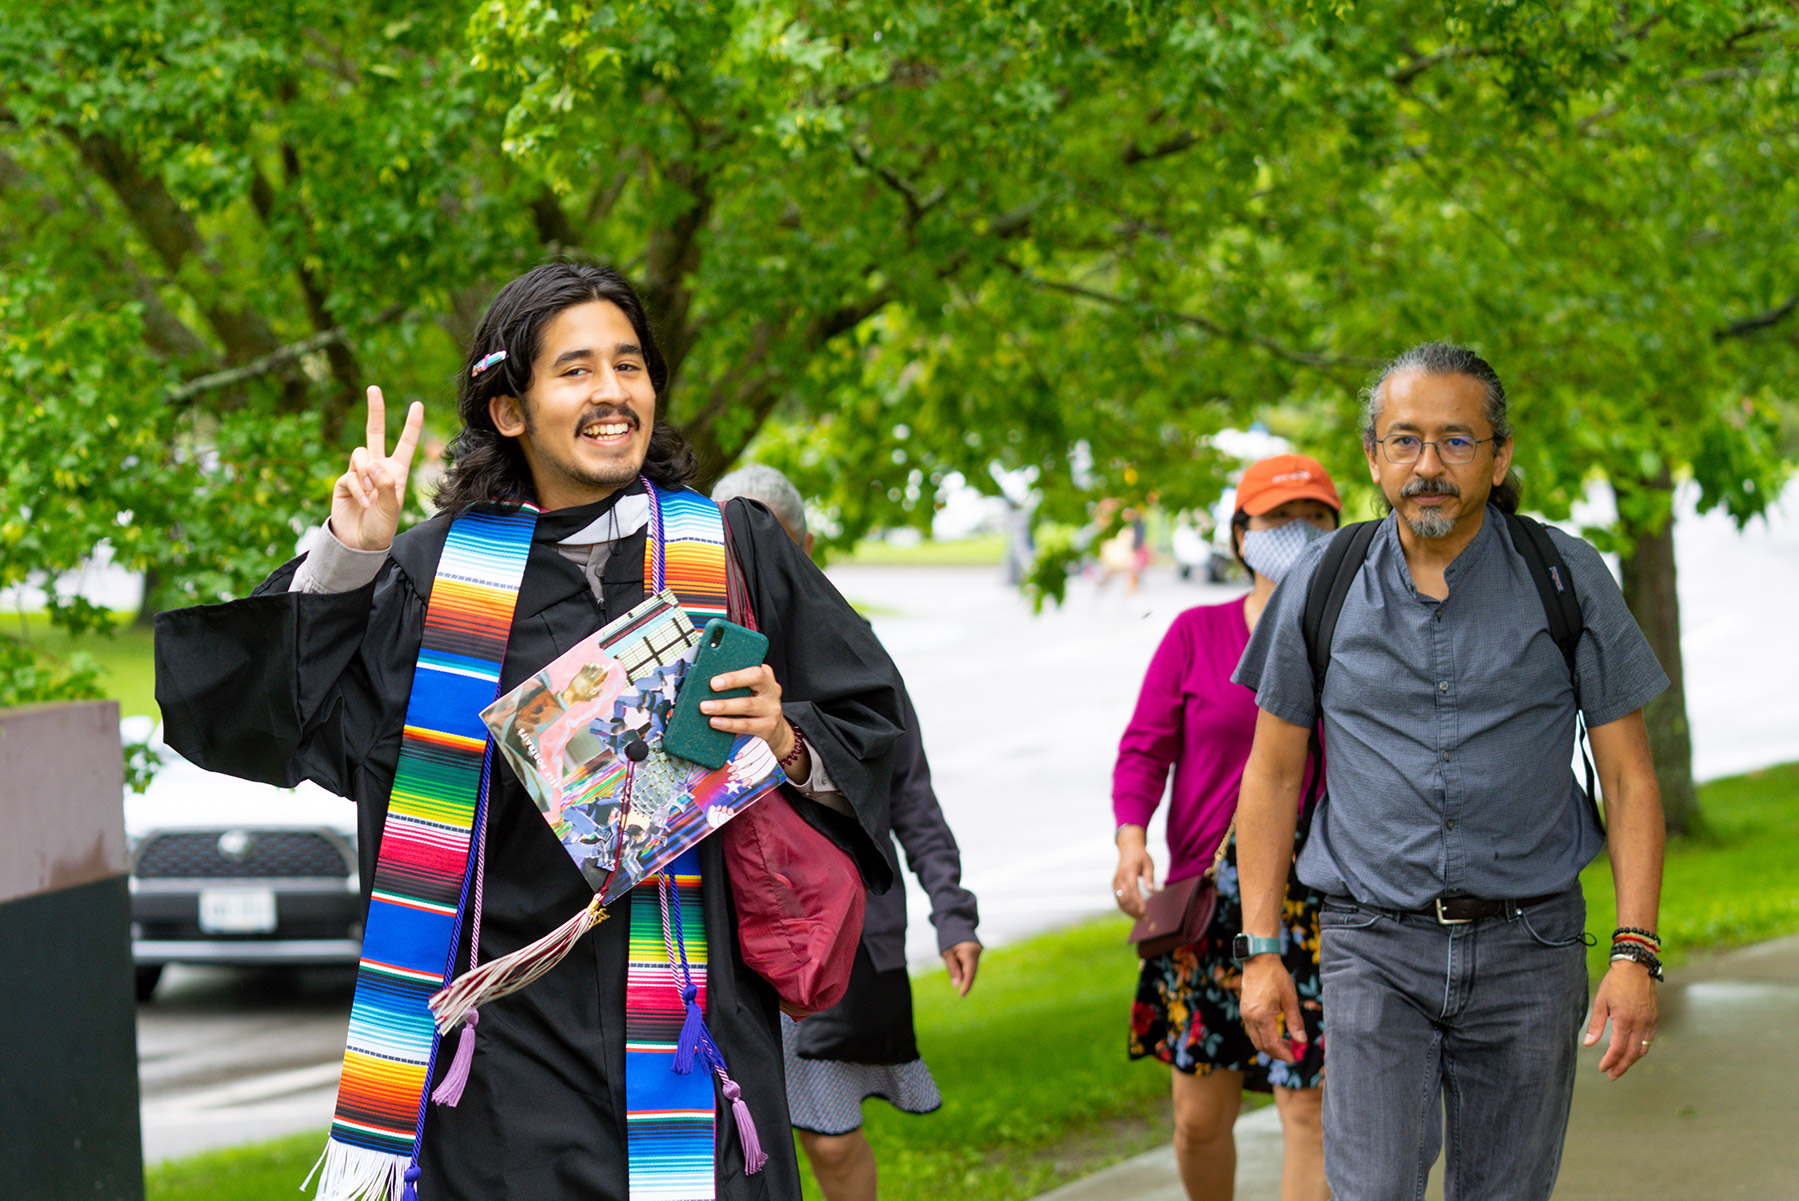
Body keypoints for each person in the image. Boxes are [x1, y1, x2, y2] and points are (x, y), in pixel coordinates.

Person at [153, 261, 906, 1201]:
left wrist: (785, 740)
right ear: (510, 409)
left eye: (629, 366)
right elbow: (281, 726)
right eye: (576, 370)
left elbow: (870, 718)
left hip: (694, 1029)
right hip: (504, 1046)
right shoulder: (433, 576)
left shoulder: (726, 546)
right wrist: (349, 557)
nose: (611, 394)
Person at [1232, 342, 1669, 1199]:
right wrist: (1260, 950)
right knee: (1372, 1189)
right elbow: (1272, 776)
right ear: (1373, 456)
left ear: (1498, 455)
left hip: (1530, 947)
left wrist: (1635, 951)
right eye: (1404, 440)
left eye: (1455, 441)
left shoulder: (1563, 574)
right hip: (1371, 945)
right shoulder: (1321, 582)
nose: (1427, 465)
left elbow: (1630, 780)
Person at [712, 464, 982, 1201]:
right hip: (724, 934)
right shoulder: (695, 642)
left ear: (798, 543)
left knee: (828, 1135)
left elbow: (908, 785)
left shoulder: (849, 646)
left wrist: (951, 909)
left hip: (831, 928)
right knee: (734, 1139)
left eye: (768, 539)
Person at [1112, 453, 1341, 1201]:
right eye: (1278, 520)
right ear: (1240, 534)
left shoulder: (1352, 636)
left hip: (1316, 901)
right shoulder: (1194, 634)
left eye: (1313, 519)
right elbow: (1144, 748)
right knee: (1198, 1120)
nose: (1296, 533)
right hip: (1208, 907)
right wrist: (1131, 839)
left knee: (1308, 1109)